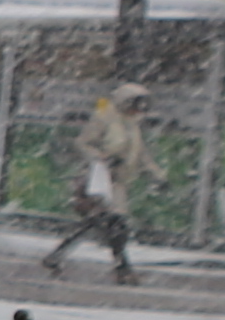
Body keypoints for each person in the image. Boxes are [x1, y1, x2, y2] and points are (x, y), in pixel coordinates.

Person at [41, 82, 146, 282]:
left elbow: (141, 152)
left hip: (119, 182)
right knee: (117, 226)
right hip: (101, 180)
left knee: (97, 223)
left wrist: (157, 174)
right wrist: (103, 157)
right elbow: (82, 143)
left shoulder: (133, 123)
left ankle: (56, 255)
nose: (138, 109)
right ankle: (123, 270)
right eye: (135, 103)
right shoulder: (105, 119)